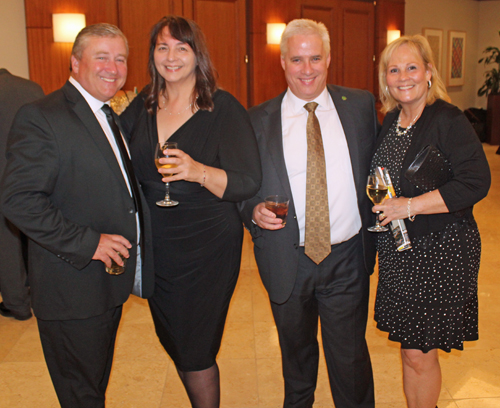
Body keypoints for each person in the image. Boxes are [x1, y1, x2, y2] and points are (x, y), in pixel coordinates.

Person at [1, 24, 154, 408]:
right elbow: (18, 200)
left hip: (104, 287)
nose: (113, 67)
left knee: (91, 390)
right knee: (81, 395)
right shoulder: (42, 116)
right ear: (75, 62)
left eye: (120, 59)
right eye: (101, 57)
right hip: (71, 290)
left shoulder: (107, 114)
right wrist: (90, 243)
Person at [120, 16, 261, 408]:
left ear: (197, 55)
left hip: (208, 250)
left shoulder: (223, 108)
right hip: (159, 247)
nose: (171, 56)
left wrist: (195, 171)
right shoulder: (143, 104)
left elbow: (248, 180)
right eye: (162, 47)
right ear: (152, 56)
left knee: (197, 349)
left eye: (182, 47)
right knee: (175, 340)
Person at [238, 19, 377, 408]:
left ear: (328, 58)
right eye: (297, 59)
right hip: (288, 260)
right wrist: (253, 210)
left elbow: (387, 161)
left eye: (315, 57)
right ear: (282, 62)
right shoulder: (256, 121)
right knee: (297, 367)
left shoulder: (361, 106)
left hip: (347, 257)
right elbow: (242, 187)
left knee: (350, 364)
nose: (307, 69)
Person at [372, 35, 491, 408]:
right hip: (400, 254)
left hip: (439, 253)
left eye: (412, 67)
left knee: (421, 353)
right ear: (385, 78)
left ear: (428, 73)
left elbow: (476, 182)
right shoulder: (392, 120)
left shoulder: (447, 119)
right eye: (394, 69)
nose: (402, 76)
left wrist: (409, 206)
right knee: (410, 350)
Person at [0, 68, 44, 320]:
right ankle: (39, 296)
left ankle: (16, 303)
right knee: (36, 238)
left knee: (7, 243)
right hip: (35, 176)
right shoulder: (32, 88)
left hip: (3, 180)